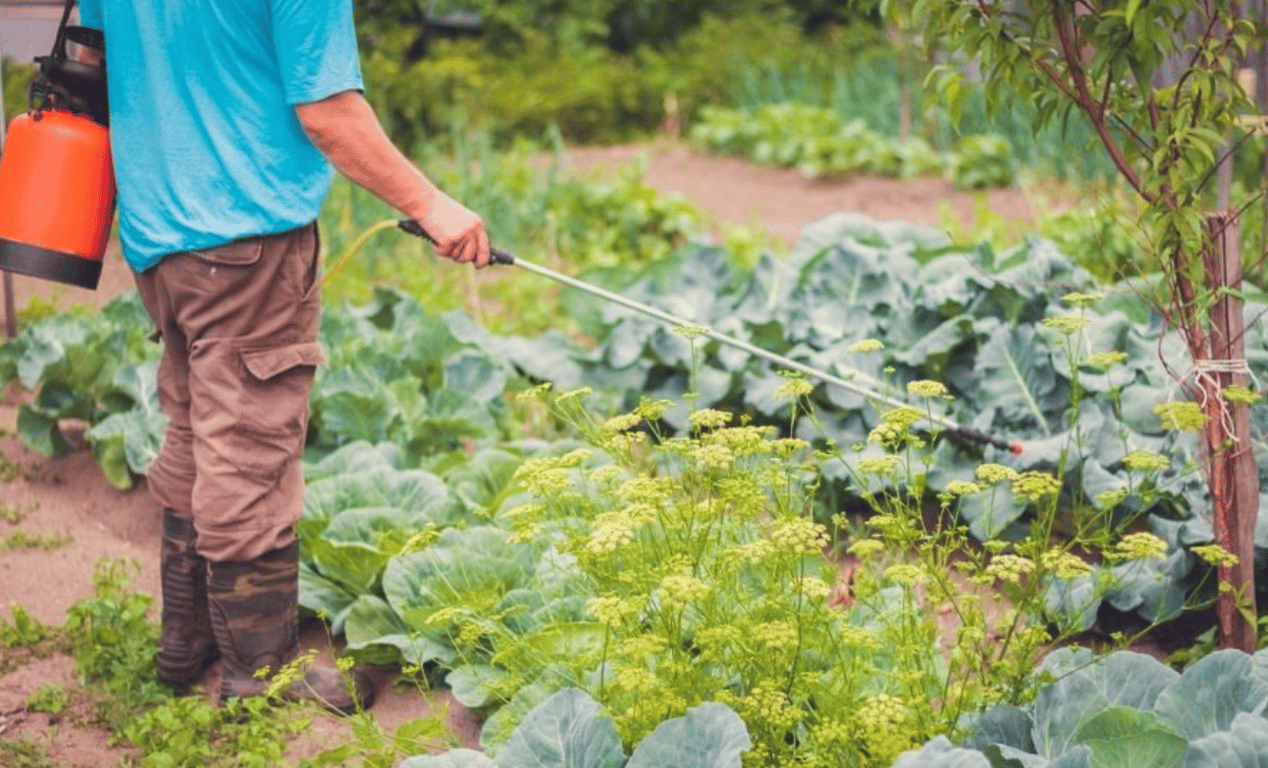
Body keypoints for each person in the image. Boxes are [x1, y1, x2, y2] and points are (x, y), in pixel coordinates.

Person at [76, 0, 491, 714]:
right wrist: (431, 205)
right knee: (249, 449)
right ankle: (258, 673)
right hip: (245, 241)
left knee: (193, 427)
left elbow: (93, 60)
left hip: (154, 234)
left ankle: (189, 640)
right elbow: (328, 114)